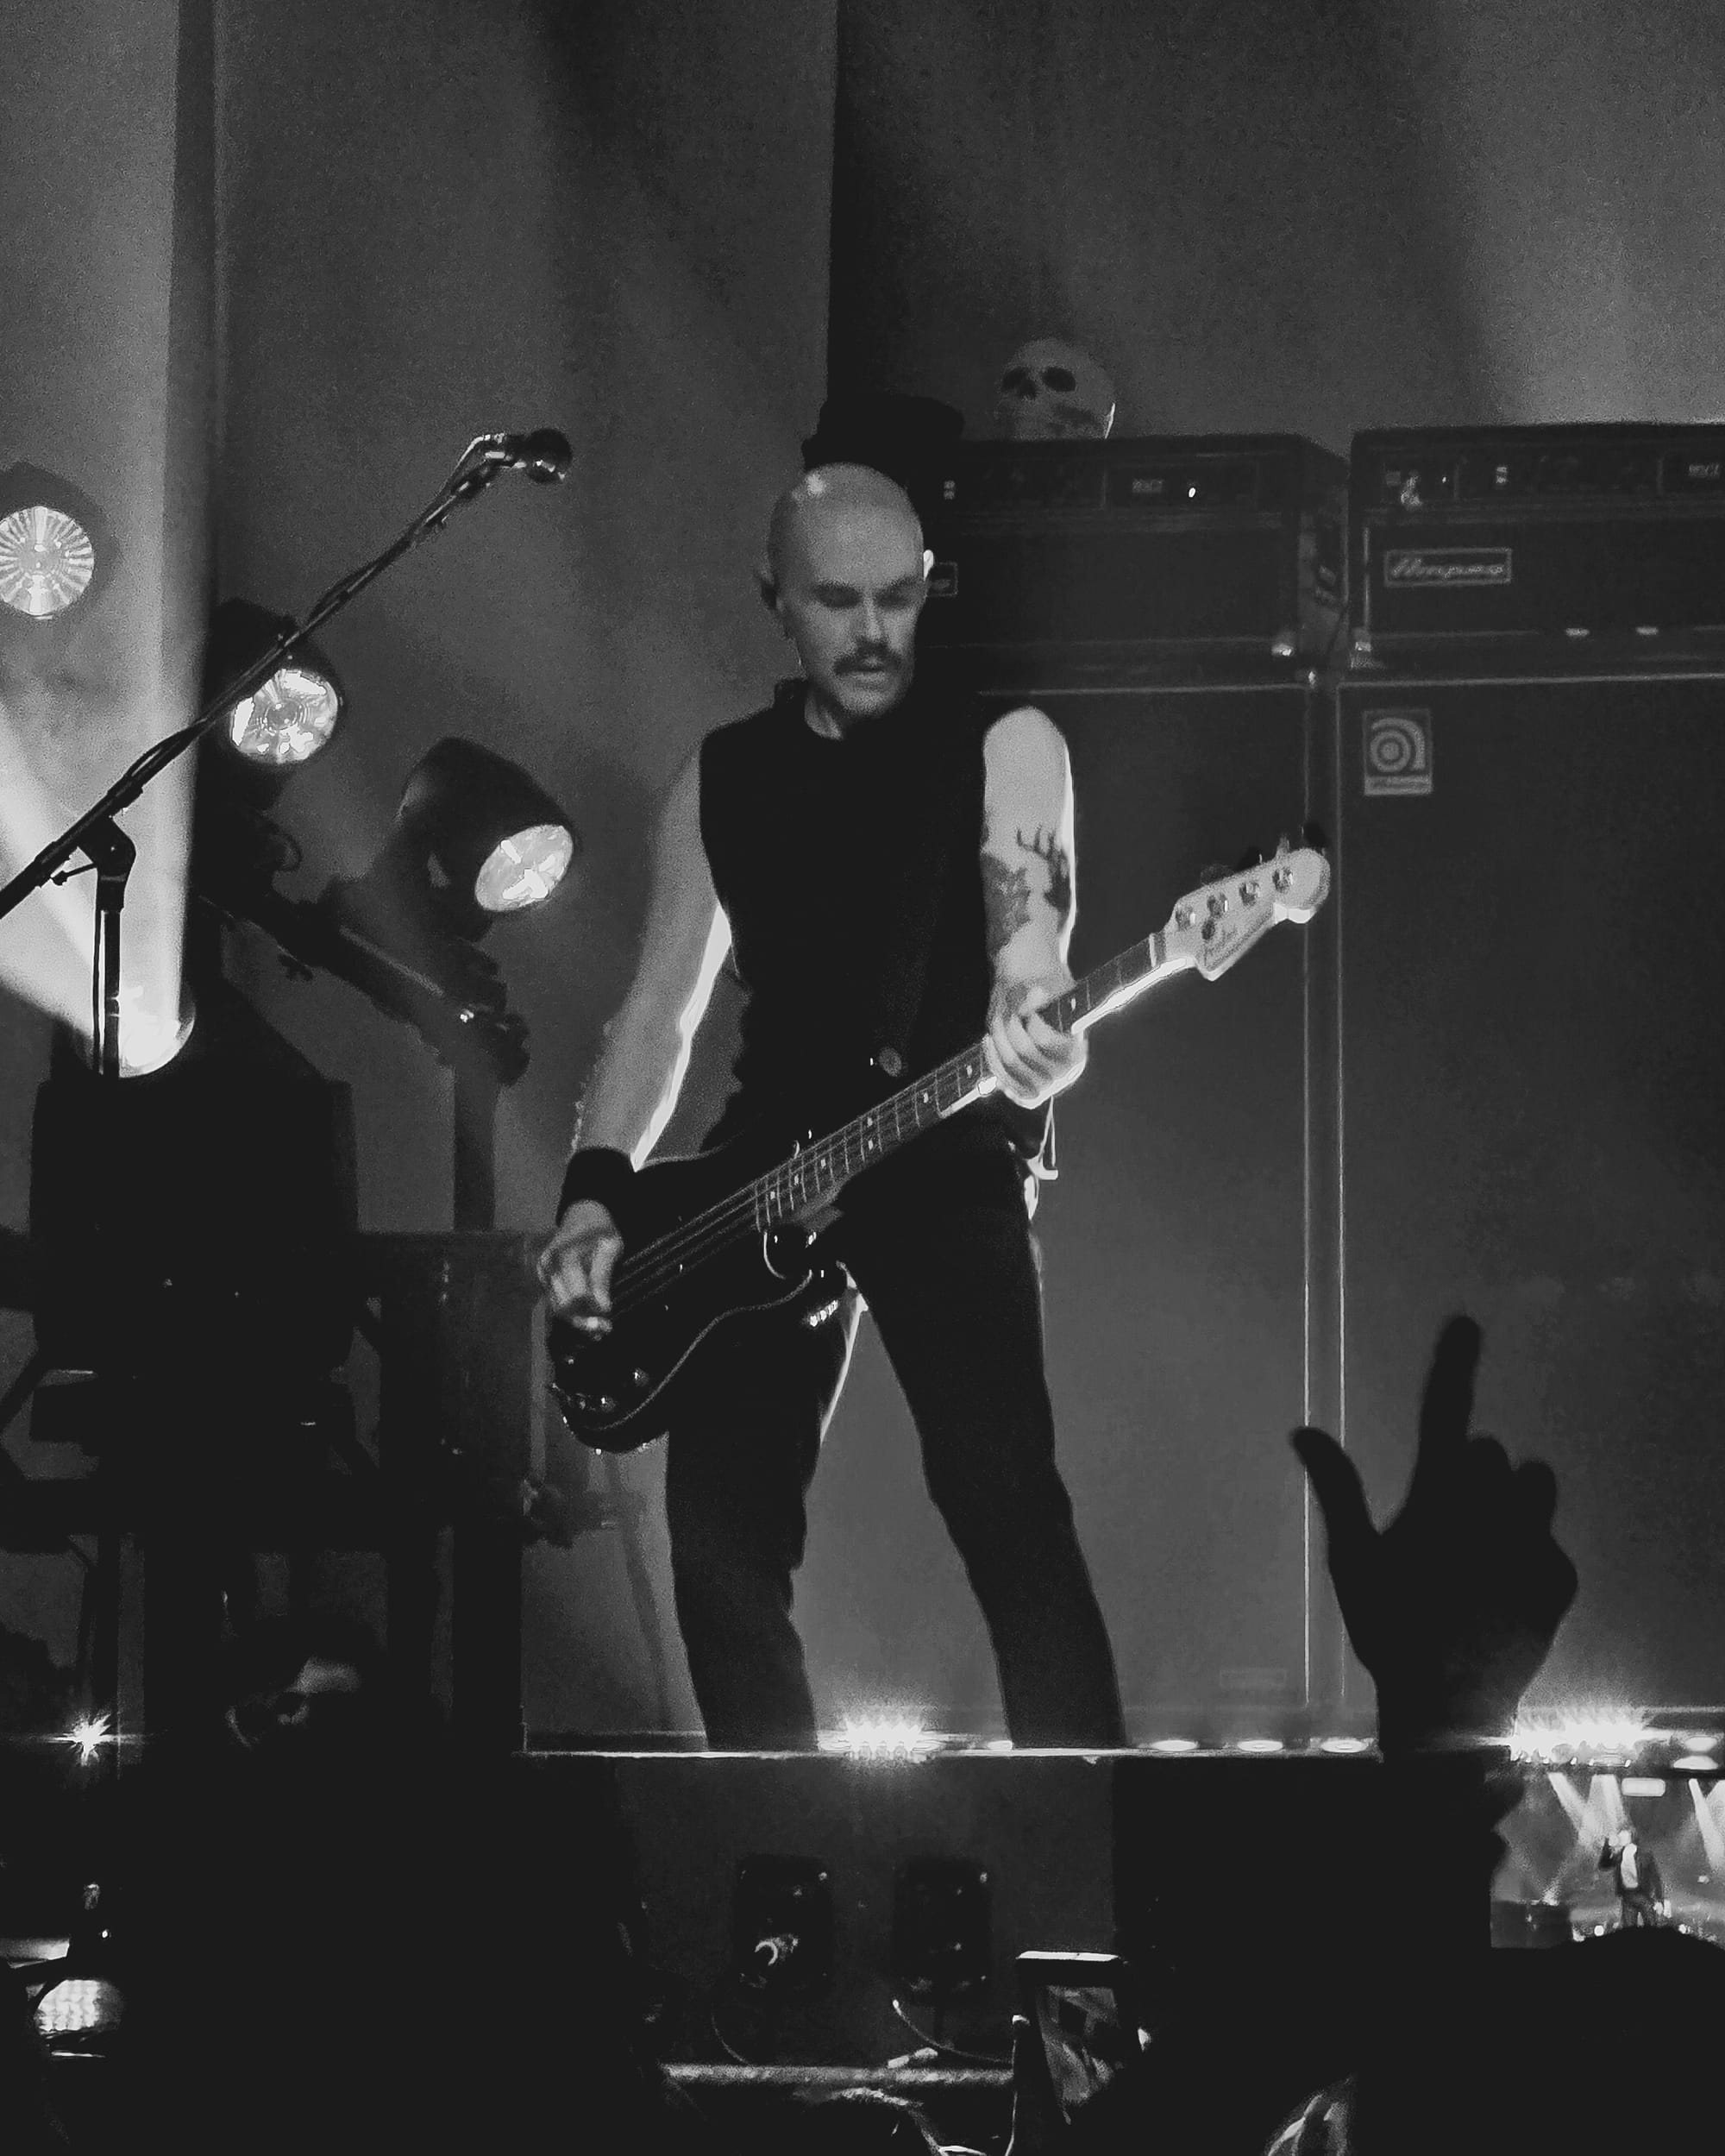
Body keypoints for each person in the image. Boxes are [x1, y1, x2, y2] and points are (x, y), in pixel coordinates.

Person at [538, 462, 1124, 1751]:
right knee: (719, 1554)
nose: (872, 632)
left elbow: (1032, 942)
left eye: (898, 599)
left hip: (941, 1153)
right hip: (762, 1177)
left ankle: (1098, 1835)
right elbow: (659, 1012)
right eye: (837, 601)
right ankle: (782, 1846)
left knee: (1007, 1509)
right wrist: (593, 1191)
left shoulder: (1006, 744)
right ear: (775, 598)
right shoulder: (722, 778)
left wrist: (1040, 1031)